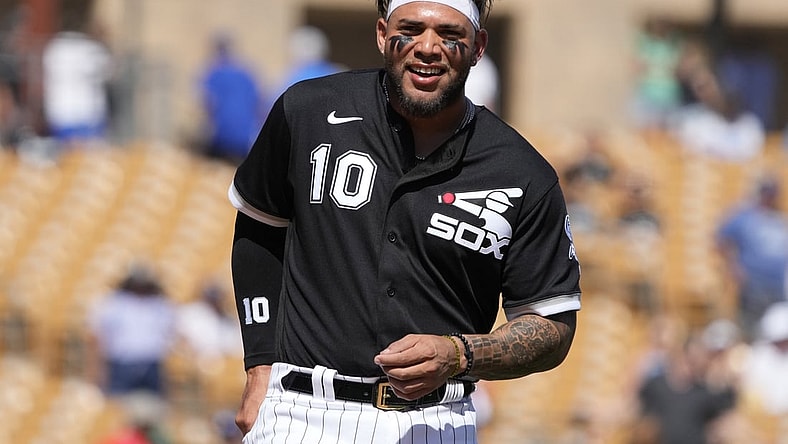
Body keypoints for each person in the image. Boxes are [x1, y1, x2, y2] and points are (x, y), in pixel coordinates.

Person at [227, 1, 581, 442]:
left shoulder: (522, 172)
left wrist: (460, 353)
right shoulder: (308, 111)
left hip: (436, 420)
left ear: (478, 47)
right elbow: (259, 229)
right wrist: (259, 364)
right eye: (410, 29)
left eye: (450, 34)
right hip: (301, 412)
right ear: (382, 34)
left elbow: (551, 326)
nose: (428, 47)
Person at [87, 263, 177, 398]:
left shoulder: (160, 304)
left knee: (154, 404)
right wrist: (98, 370)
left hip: (152, 364)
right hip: (121, 364)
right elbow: (98, 336)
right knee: (117, 404)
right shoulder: (113, 303)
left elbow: (172, 333)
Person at [716, 175, 788, 340]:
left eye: (772, 193)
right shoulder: (744, 216)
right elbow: (721, 240)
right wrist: (733, 266)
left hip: (778, 285)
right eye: (766, 192)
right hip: (752, 284)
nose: (769, 197)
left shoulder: (779, 218)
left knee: (779, 331)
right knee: (751, 331)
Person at [41, 15, 113, 147]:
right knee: (89, 152)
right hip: (86, 110)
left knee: (66, 152)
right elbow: (108, 71)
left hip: (60, 109)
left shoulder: (53, 48)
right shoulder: (89, 49)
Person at [199, 32, 268, 165]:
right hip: (246, 140)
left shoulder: (214, 72)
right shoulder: (247, 73)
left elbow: (207, 103)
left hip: (221, 138)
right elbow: (260, 104)